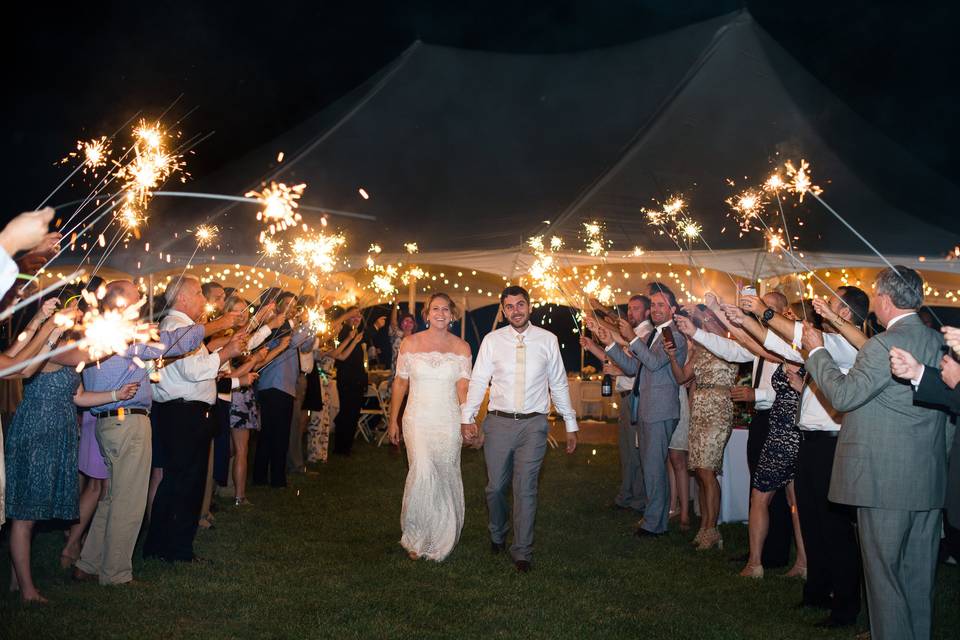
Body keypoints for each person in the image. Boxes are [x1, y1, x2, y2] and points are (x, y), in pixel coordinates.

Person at [803, 266, 949, 640]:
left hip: (883, 482)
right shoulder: (940, 342)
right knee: (918, 580)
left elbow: (843, 396)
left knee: (884, 579)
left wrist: (816, 350)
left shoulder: (883, 345)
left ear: (884, 300)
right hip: (928, 479)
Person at [71, 279, 240, 583]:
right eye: (137, 298)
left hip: (110, 422)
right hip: (127, 422)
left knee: (112, 498)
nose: (143, 301)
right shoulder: (119, 334)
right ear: (122, 304)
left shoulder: (100, 333)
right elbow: (172, 342)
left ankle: (89, 563)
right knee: (128, 501)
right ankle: (116, 573)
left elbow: (157, 355)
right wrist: (220, 324)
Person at [738, 287, 868, 625]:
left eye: (833, 301)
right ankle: (816, 592)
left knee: (834, 526)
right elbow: (781, 345)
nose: (821, 304)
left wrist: (764, 312)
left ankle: (844, 605)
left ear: (848, 314)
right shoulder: (824, 346)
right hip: (809, 442)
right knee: (810, 520)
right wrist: (743, 320)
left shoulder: (849, 346)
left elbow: (797, 335)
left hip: (833, 444)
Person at [461, 285, 578, 572]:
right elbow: (478, 381)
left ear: (530, 306)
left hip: (534, 425)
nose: (516, 310)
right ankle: (497, 532)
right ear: (503, 310)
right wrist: (468, 417)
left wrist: (570, 422)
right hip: (498, 423)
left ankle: (522, 550)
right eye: (510, 306)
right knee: (495, 487)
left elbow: (559, 383)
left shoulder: (548, 340)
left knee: (525, 488)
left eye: (520, 304)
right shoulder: (492, 340)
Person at [144, 277, 247, 563]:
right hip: (184, 414)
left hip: (184, 412)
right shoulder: (177, 327)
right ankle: (176, 548)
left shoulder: (181, 327)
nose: (204, 299)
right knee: (185, 484)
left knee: (178, 482)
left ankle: (162, 544)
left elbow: (195, 367)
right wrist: (226, 353)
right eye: (199, 293)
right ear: (183, 298)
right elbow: (191, 371)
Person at [592, 282, 686, 537]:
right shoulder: (655, 335)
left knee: (654, 466)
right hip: (646, 408)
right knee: (648, 464)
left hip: (661, 409)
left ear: (673, 309)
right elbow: (634, 368)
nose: (655, 309)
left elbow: (655, 364)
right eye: (653, 304)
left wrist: (632, 338)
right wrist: (608, 344)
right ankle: (653, 517)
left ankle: (655, 523)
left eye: (660, 305)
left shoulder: (673, 335)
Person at [387, 293, 472, 561]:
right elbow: (400, 384)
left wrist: (467, 419)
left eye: (445, 309)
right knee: (422, 471)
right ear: (426, 314)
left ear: (452, 314)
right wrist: (393, 420)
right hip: (417, 420)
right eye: (435, 308)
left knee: (444, 473)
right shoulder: (410, 343)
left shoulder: (462, 347)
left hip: (447, 420)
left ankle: (440, 537)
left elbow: (463, 387)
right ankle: (416, 535)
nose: (440, 313)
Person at [666, 306, 737, 551]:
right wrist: (673, 357)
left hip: (718, 409)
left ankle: (711, 528)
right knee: (700, 469)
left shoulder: (728, 343)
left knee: (707, 470)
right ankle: (705, 527)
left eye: (702, 316)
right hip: (698, 408)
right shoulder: (697, 347)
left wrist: (704, 313)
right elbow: (681, 378)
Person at [581, 294, 652, 515]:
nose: (631, 313)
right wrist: (592, 345)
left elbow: (638, 366)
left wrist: (598, 320)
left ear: (647, 312)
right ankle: (626, 495)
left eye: (636, 309)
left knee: (637, 450)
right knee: (627, 450)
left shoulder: (646, 333)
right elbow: (616, 356)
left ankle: (637, 500)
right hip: (626, 397)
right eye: (629, 308)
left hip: (637, 396)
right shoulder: (635, 332)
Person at [253, 291, 315, 487]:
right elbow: (294, 342)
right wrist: (306, 324)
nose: (291, 308)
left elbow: (305, 347)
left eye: (293, 305)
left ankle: (268, 477)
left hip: (286, 386)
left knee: (278, 433)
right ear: (278, 306)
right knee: (273, 433)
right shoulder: (274, 325)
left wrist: (310, 326)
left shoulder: (291, 326)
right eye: (287, 304)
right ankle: (271, 478)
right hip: (273, 385)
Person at [332, 308, 367, 455]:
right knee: (346, 412)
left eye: (359, 315)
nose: (356, 317)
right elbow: (341, 356)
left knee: (353, 413)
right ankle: (341, 447)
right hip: (346, 379)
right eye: (353, 315)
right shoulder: (343, 330)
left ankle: (347, 446)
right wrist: (348, 315)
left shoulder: (358, 335)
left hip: (357, 380)